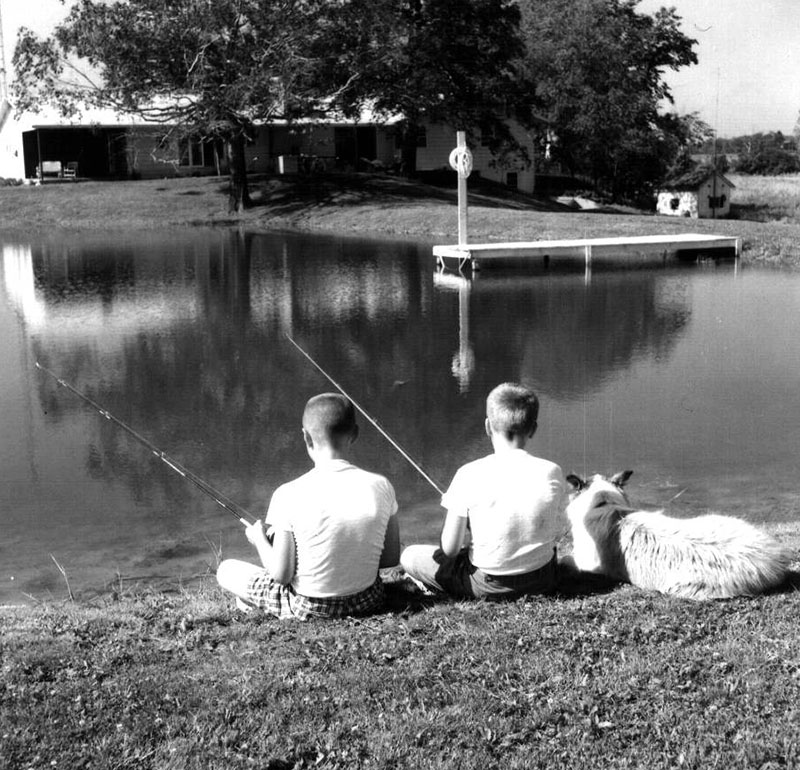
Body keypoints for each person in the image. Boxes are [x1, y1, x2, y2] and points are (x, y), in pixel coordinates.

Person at [217, 393, 400, 619]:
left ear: (306, 437)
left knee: (226, 570)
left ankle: (253, 602)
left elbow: (282, 575)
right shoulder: (382, 486)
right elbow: (391, 558)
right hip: (369, 600)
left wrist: (260, 540)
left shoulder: (287, 493)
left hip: (310, 608)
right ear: (355, 433)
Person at [400, 382, 566, 600]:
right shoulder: (552, 471)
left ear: (488, 426)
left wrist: (459, 513)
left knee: (409, 555)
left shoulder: (468, 473)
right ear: (533, 429)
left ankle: (436, 585)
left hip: (488, 586)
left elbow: (449, 549)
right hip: (543, 579)